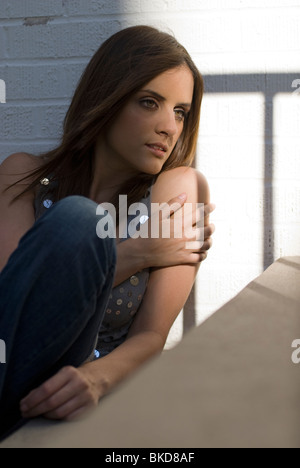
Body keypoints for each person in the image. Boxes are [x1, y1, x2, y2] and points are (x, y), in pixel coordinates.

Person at [0, 25, 215, 439]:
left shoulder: (174, 191)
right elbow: (18, 302)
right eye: (150, 102)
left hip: (82, 397)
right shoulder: (23, 175)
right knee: (78, 220)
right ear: (108, 98)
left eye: (180, 112)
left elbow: (152, 335)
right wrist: (138, 253)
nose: (169, 127)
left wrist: (95, 380)